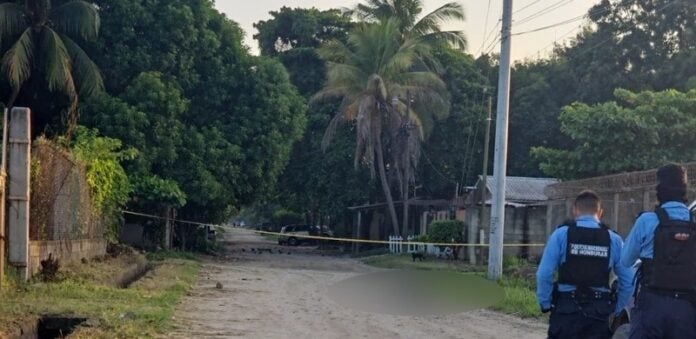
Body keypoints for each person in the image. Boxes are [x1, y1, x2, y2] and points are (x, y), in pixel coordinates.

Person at [537, 190, 634, 339]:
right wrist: (616, 310)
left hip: (566, 308)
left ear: (575, 210)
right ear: (600, 212)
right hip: (599, 312)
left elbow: (544, 274)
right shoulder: (613, 239)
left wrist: (545, 304)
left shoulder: (561, 234)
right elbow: (628, 280)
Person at [621, 164, 696, 338]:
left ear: (659, 189)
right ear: (685, 190)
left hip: (652, 305)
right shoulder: (693, 223)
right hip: (686, 308)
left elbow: (625, 260)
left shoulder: (647, 221)